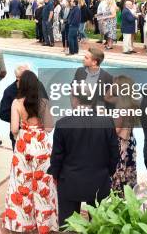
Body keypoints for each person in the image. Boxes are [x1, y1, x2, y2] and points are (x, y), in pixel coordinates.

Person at [48, 75, 119, 227]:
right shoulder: (106, 122)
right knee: (99, 226)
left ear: (75, 99)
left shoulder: (62, 124)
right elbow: (114, 153)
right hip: (99, 180)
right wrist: (108, 172)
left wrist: (55, 175)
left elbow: (57, 157)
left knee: (69, 225)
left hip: (70, 181)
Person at [3, 70, 57, 232]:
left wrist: (24, 129)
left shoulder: (16, 103)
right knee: (43, 185)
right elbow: (49, 128)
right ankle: (45, 223)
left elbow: (13, 129)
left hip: (24, 146)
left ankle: (24, 222)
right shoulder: (43, 102)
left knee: (21, 184)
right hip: (41, 145)